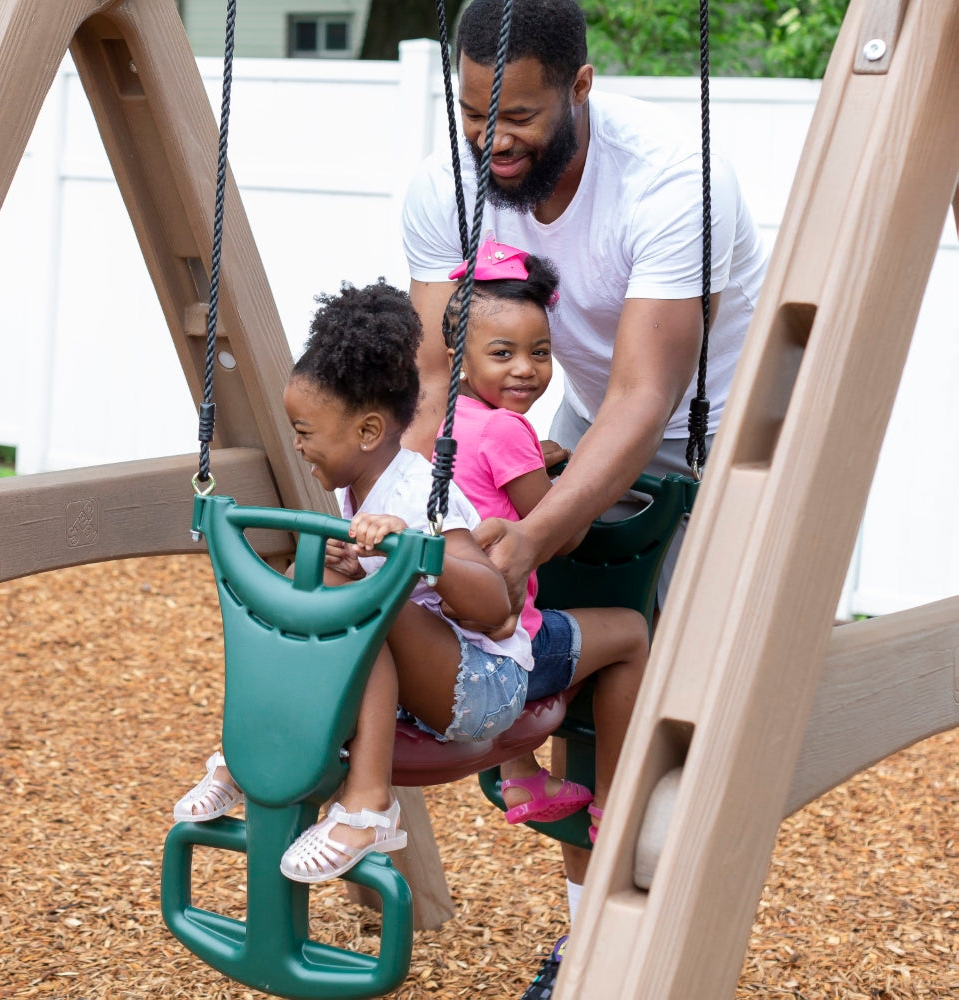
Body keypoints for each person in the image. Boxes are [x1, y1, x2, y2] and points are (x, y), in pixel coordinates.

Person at [401, 0, 768, 993]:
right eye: (475, 112)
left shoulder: (674, 178)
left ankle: (665, 925)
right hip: (587, 422)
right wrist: (411, 513)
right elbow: (440, 380)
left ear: (581, 87)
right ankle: (587, 943)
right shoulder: (451, 179)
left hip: (735, 429)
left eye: (515, 116)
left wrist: (523, 543)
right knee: (571, 669)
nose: (493, 139)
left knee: (690, 686)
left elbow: (650, 396)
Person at [174, 280, 533, 886]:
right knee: (307, 578)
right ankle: (249, 753)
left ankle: (370, 806)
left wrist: (411, 551)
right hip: (428, 674)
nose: (297, 444)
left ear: (367, 433)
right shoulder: (357, 487)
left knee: (349, 601)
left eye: (306, 431)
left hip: (483, 686)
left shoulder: (416, 493)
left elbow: (494, 603)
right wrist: (348, 555)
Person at [440, 239, 647, 840]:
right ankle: (614, 803)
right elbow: (560, 527)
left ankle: (521, 773)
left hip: (446, 635)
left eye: (540, 352)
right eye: (502, 353)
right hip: (502, 647)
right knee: (630, 634)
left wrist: (538, 458)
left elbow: (490, 482)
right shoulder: (508, 431)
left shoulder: (442, 423)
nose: (525, 369)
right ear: (459, 355)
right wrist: (573, 477)